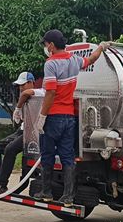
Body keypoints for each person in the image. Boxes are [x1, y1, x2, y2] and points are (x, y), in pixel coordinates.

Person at [33, 30, 110, 206]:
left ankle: (46, 192)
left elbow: (51, 92)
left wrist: (43, 116)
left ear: (51, 45)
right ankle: (68, 196)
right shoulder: (74, 60)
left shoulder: (50, 64)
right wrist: (101, 47)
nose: (45, 47)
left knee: (47, 155)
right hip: (69, 117)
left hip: (53, 117)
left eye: (45, 44)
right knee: (68, 156)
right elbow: (91, 59)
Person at [0, 72, 45, 195]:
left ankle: (2, 185)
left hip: (33, 132)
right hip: (23, 130)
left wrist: (18, 108)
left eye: (23, 84)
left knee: (10, 149)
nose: (21, 88)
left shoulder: (40, 92)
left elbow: (26, 93)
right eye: (19, 86)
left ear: (31, 82)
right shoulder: (26, 97)